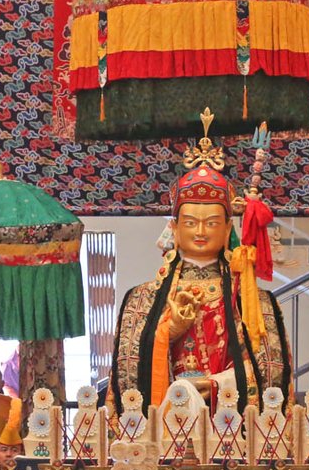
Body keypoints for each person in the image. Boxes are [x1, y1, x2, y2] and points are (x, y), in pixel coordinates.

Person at [110, 153, 290, 411]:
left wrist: (221, 384)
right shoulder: (141, 298)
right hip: (168, 421)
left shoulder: (254, 301)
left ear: (227, 229)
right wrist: (167, 332)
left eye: (212, 223)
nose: (200, 232)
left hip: (230, 421)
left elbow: (270, 371)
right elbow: (128, 368)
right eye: (190, 223)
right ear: (174, 229)